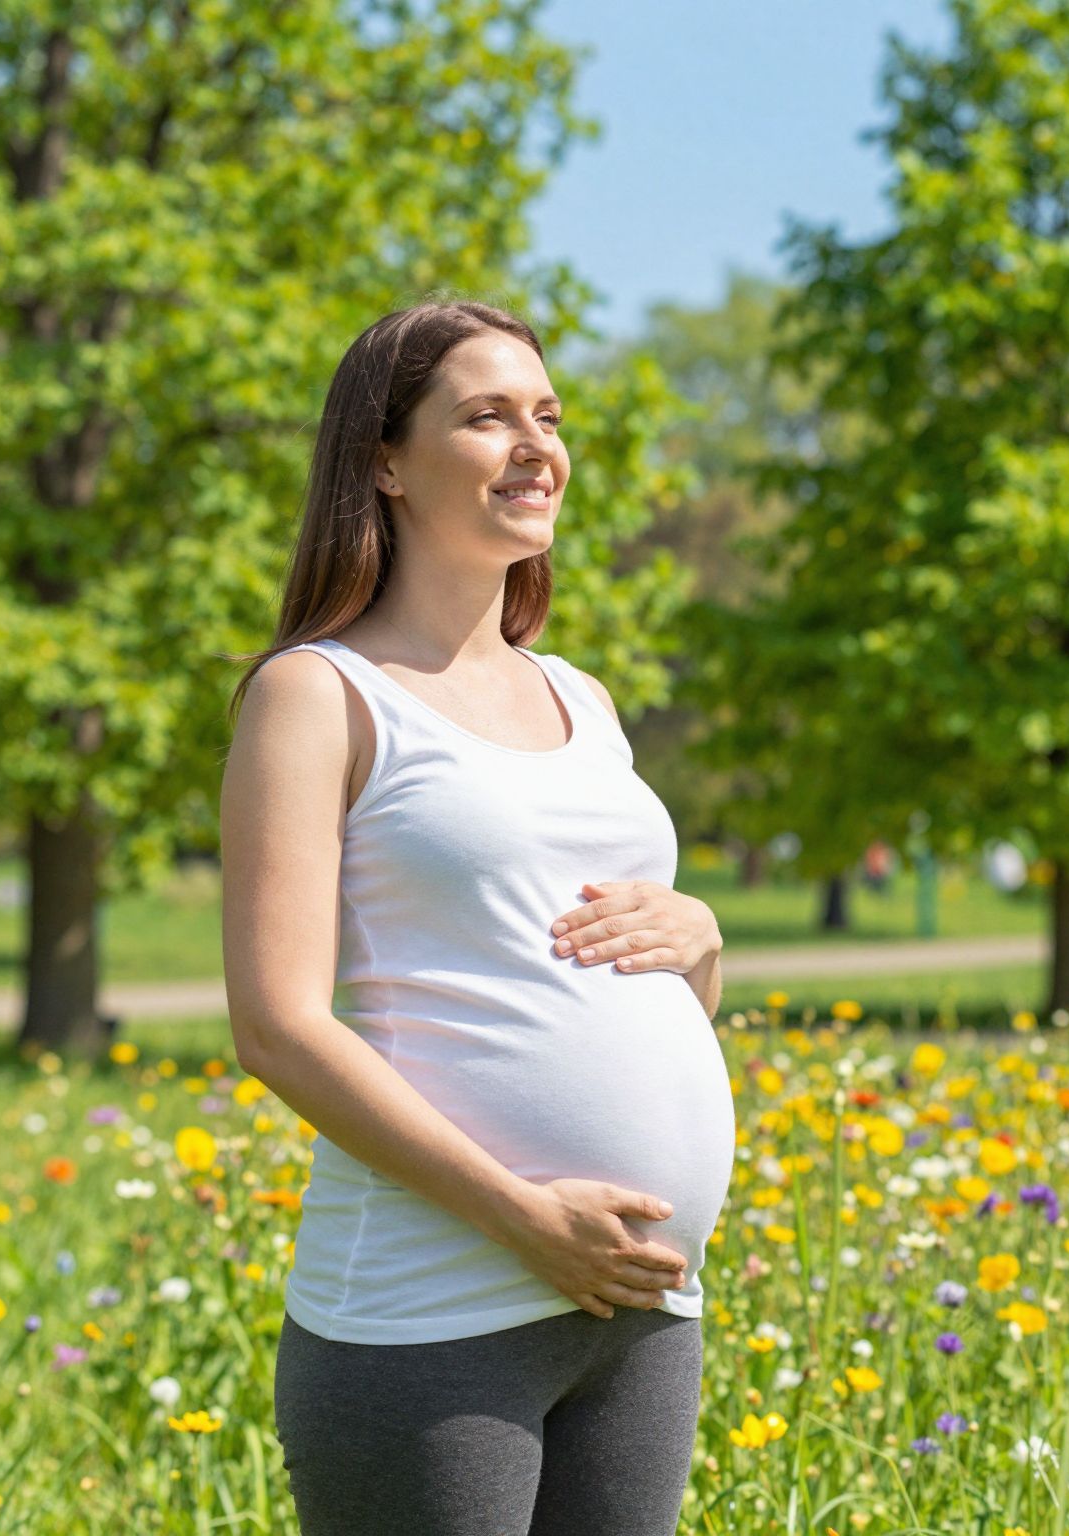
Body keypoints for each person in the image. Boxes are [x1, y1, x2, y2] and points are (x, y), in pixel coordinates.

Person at [219, 298, 737, 1535]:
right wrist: (523, 1217)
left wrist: (701, 941)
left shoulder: (585, 697)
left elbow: (636, 986)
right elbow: (278, 1027)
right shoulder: (316, 694)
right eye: (487, 416)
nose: (535, 445)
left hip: (639, 1306)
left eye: (547, 416)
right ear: (385, 462)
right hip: (433, 1309)